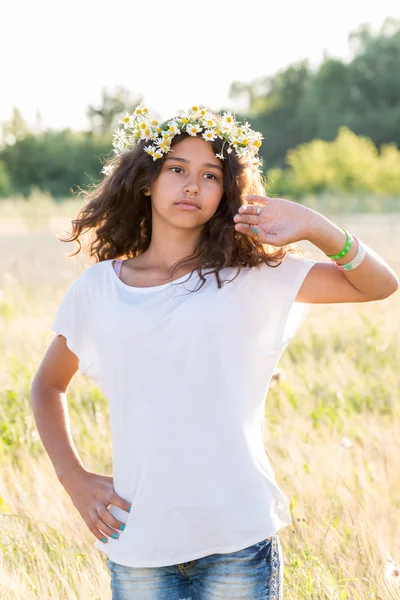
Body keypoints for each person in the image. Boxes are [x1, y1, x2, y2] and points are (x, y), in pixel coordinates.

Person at [30, 105, 398, 600]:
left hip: (237, 540)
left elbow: (378, 285)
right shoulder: (99, 288)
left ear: (227, 192)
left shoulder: (252, 276)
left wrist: (315, 226)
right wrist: (73, 478)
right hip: (138, 544)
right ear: (145, 181)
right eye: (176, 169)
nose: (192, 185)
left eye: (210, 175)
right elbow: (47, 385)